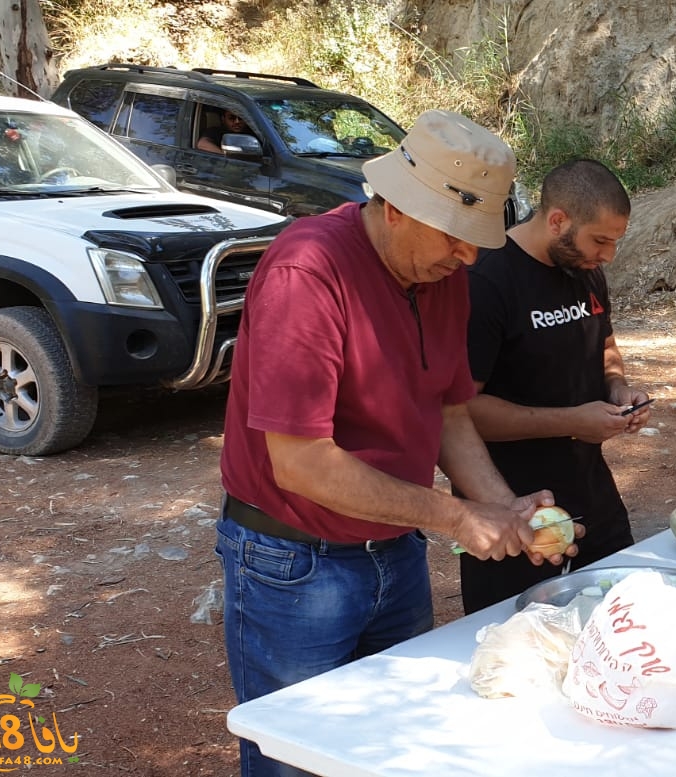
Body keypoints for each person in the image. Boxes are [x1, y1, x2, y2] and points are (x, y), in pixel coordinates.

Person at [216, 110, 577, 777]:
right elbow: (299, 463)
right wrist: (456, 516)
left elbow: (448, 407)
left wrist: (505, 507)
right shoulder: (310, 271)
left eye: (477, 241)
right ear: (395, 208)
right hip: (296, 563)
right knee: (295, 755)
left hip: (395, 548)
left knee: (397, 748)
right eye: (455, 236)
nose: (467, 256)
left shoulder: (442, 277)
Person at [460, 158, 648, 614]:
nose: (608, 255)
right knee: (518, 644)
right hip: (512, 507)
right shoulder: (485, 281)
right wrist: (572, 422)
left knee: (619, 619)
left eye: (614, 243)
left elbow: (604, 343)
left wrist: (619, 387)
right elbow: (463, 412)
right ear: (558, 220)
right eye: (600, 240)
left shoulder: (584, 271)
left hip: (594, 495)